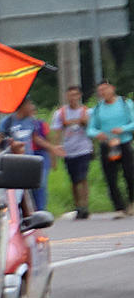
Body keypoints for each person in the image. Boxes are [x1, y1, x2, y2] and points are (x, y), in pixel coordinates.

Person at [1, 99, 58, 213]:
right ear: (22, 106)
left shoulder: (31, 122)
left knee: (39, 185)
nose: (32, 107)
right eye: (29, 104)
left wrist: (52, 149)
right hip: (14, 163)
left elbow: (36, 138)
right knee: (20, 191)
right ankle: (21, 215)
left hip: (30, 161)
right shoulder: (7, 122)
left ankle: (40, 212)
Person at [89, 80, 134, 217]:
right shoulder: (97, 109)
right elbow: (90, 129)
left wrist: (122, 129)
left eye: (105, 89)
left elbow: (133, 122)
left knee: (130, 174)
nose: (103, 92)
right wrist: (98, 134)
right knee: (110, 177)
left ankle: (132, 202)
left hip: (123, 142)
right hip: (107, 145)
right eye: (100, 90)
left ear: (112, 89)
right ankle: (118, 207)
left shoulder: (125, 103)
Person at [53, 86, 94, 218]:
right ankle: (78, 206)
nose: (73, 98)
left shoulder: (87, 112)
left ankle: (84, 206)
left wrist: (85, 123)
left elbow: (93, 129)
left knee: (82, 177)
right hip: (69, 150)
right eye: (70, 95)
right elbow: (57, 132)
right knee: (74, 180)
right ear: (67, 97)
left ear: (79, 96)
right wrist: (57, 148)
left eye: (76, 95)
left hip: (84, 149)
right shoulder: (60, 113)